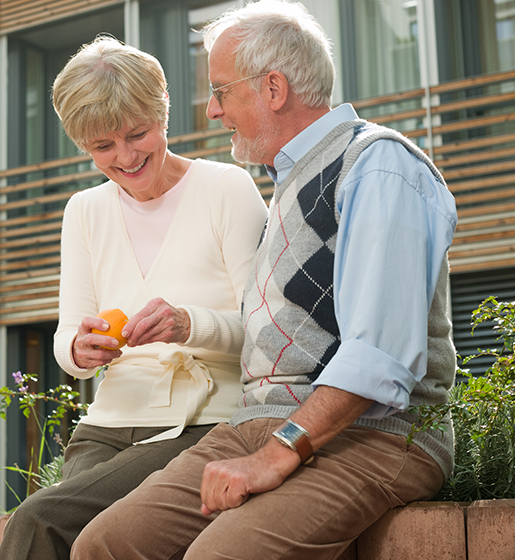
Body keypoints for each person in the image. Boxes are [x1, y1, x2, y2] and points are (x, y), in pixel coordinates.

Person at [70, 2, 459, 560]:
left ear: (273, 88)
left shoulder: (378, 166)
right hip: (257, 423)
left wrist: (279, 451)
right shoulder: (288, 183)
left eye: (221, 91)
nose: (210, 111)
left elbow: (379, 357)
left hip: (374, 434)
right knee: (103, 545)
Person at [0, 36, 268, 560]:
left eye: (137, 134)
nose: (125, 157)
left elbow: (271, 332)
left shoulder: (226, 190)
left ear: (162, 115)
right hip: (107, 425)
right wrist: (79, 350)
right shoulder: (84, 211)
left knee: (39, 521)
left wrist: (188, 324)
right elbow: (66, 337)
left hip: (204, 422)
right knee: (61, 534)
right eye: (102, 147)